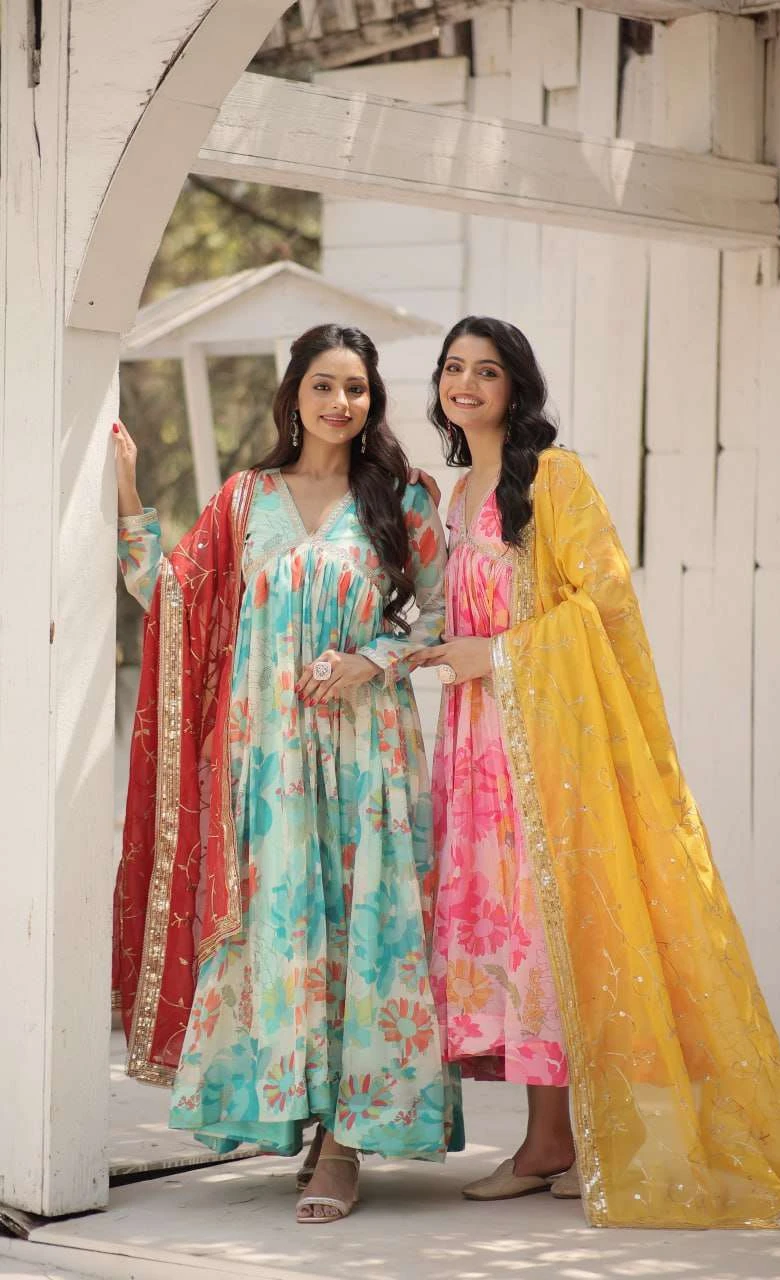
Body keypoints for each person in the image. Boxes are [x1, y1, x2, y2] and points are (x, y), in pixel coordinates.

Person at [411, 315, 780, 1229]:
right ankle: (551, 1139)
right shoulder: (456, 493)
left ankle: (585, 1141)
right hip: (477, 751)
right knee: (521, 941)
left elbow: (604, 605)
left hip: (550, 747)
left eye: (486, 370)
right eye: (452, 368)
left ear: (516, 386)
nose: (465, 383)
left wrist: (497, 655)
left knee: (572, 928)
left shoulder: (552, 478)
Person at [112, 323, 461, 1226]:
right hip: (266, 758)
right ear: (294, 396)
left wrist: (370, 659)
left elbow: (438, 617)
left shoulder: (402, 498)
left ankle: (343, 1145)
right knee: (286, 931)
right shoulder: (245, 500)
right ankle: (297, 1116)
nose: (341, 403)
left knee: (363, 930)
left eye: (356, 388)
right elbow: (171, 597)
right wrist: (127, 491)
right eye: (323, 386)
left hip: (368, 750)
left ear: (371, 400)